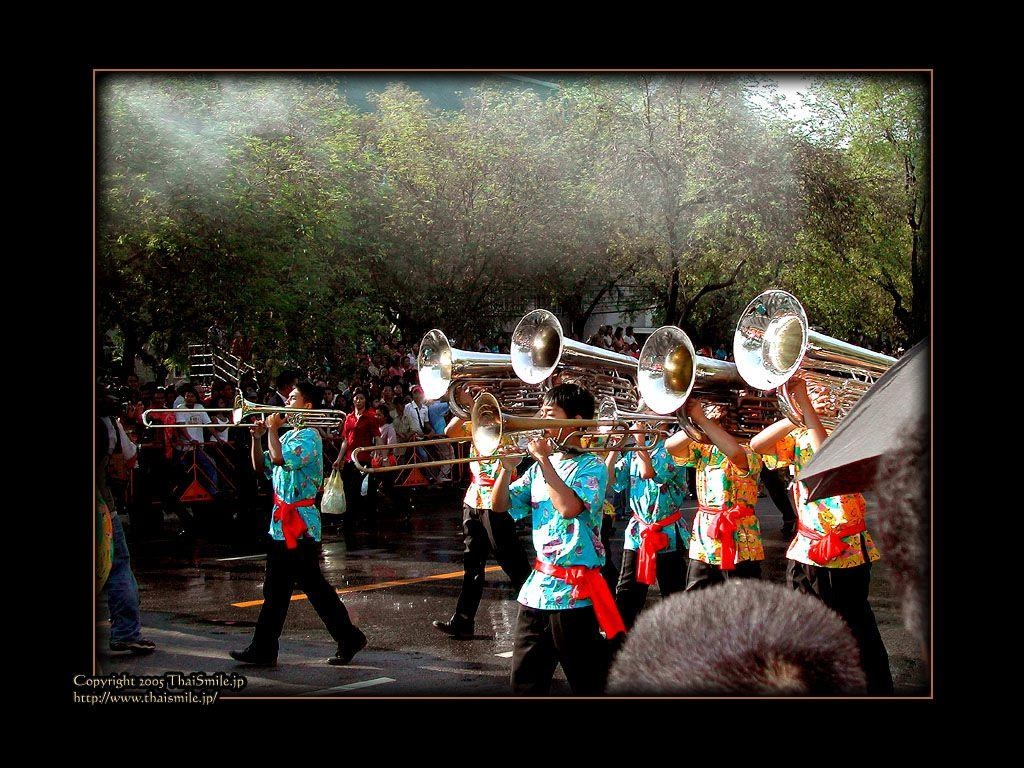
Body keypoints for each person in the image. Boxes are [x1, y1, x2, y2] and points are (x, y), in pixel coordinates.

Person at [750, 377, 894, 694]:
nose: (815, 395)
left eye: (820, 390)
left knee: (853, 626)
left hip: (846, 551)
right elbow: (758, 446)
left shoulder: (850, 427)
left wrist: (808, 406)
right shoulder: (797, 432)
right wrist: (793, 416)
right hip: (805, 547)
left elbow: (827, 460)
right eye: (811, 390)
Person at [490, 383, 624, 695]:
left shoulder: (590, 466)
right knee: (524, 683)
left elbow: (568, 507)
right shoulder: (539, 469)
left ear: (575, 421)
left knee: (586, 683)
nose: (540, 421)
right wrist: (504, 470)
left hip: (576, 595)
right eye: (541, 414)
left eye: (550, 415)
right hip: (537, 591)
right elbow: (501, 506)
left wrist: (544, 461)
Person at [230, 380, 366, 667]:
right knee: (286, 589)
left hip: (300, 526)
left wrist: (272, 431)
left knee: (297, 589)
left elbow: (279, 459)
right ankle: (343, 637)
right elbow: (261, 467)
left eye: (292, 398)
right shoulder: (289, 436)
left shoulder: (309, 438)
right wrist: (257, 438)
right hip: (280, 524)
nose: (285, 402)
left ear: (307, 406)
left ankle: (268, 648)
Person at [607, 581, 867, 695]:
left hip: (743, 538)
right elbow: (685, 463)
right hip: (707, 539)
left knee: (829, 622)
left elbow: (749, 465)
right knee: (696, 607)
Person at [432, 385, 532, 639]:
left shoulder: (508, 426)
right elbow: (449, 431)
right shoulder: (476, 422)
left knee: (513, 564)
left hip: (497, 500)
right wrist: (469, 407)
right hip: (474, 498)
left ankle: (540, 615)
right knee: (472, 563)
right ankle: (463, 621)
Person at [665, 400, 765, 589]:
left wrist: (702, 419)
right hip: (705, 539)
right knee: (697, 600)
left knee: (741, 608)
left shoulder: (751, 444)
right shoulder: (704, 446)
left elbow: (736, 455)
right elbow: (671, 447)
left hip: (742, 541)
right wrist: (699, 422)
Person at [604, 425, 689, 630]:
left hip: (668, 533)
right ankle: (619, 646)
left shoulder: (673, 449)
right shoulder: (635, 452)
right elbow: (609, 478)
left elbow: (647, 472)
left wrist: (639, 442)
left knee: (673, 594)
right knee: (627, 592)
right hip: (638, 532)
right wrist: (615, 448)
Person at [97, 395, 155, 655]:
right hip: (101, 504)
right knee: (118, 566)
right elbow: (130, 456)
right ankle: (125, 632)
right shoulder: (108, 424)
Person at [333, 391, 379, 527]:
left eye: (361, 398)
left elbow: (377, 437)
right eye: (356, 398)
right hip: (349, 458)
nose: (358, 401)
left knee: (357, 489)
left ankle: (357, 518)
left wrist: (379, 452)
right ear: (353, 401)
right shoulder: (349, 418)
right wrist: (338, 458)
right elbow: (345, 440)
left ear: (365, 400)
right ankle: (349, 519)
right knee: (348, 489)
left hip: (363, 458)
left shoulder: (370, 417)